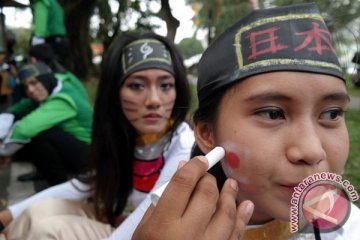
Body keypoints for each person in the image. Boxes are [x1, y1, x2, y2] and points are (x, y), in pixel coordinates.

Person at [132, 2, 360, 240]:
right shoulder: (165, 224)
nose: (312, 151)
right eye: (273, 113)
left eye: (331, 114)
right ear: (207, 134)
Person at [0, 32, 194, 239]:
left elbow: (150, 212)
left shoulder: (183, 146)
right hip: (130, 222)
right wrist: (5, 217)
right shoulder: (125, 136)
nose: (154, 100)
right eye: (137, 85)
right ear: (114, 93)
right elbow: (82, 185)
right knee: (36, 213)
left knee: (46, 231)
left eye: (165, 85)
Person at [0, 61, 93, 187]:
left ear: (45, 79)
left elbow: (24, 129)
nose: (31, 90)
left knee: (39, 133)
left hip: (92, 157)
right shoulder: (60, 82)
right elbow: (25, 105)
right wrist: (9, 113)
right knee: (31, 130)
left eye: (34, 82)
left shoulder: (63, 99)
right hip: (83, 147)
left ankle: (59, 186)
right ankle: (45, 172)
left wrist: (4, 151)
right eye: (26, 87)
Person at [29, 0, 70, 65]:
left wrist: (36, 45)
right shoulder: (54, 3)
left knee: (47, 71)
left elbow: (41, 26)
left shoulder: (42, 2)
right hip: (62, 41)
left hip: (52, 43)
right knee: (58, 70)